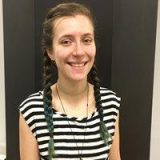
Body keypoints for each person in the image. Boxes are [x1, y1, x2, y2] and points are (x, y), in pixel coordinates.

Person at [19, 2, 121, 160]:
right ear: (50, 52)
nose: (79, 52)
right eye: (66, 41)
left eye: (86, 40)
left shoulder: (111, 104)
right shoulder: (31, 112)